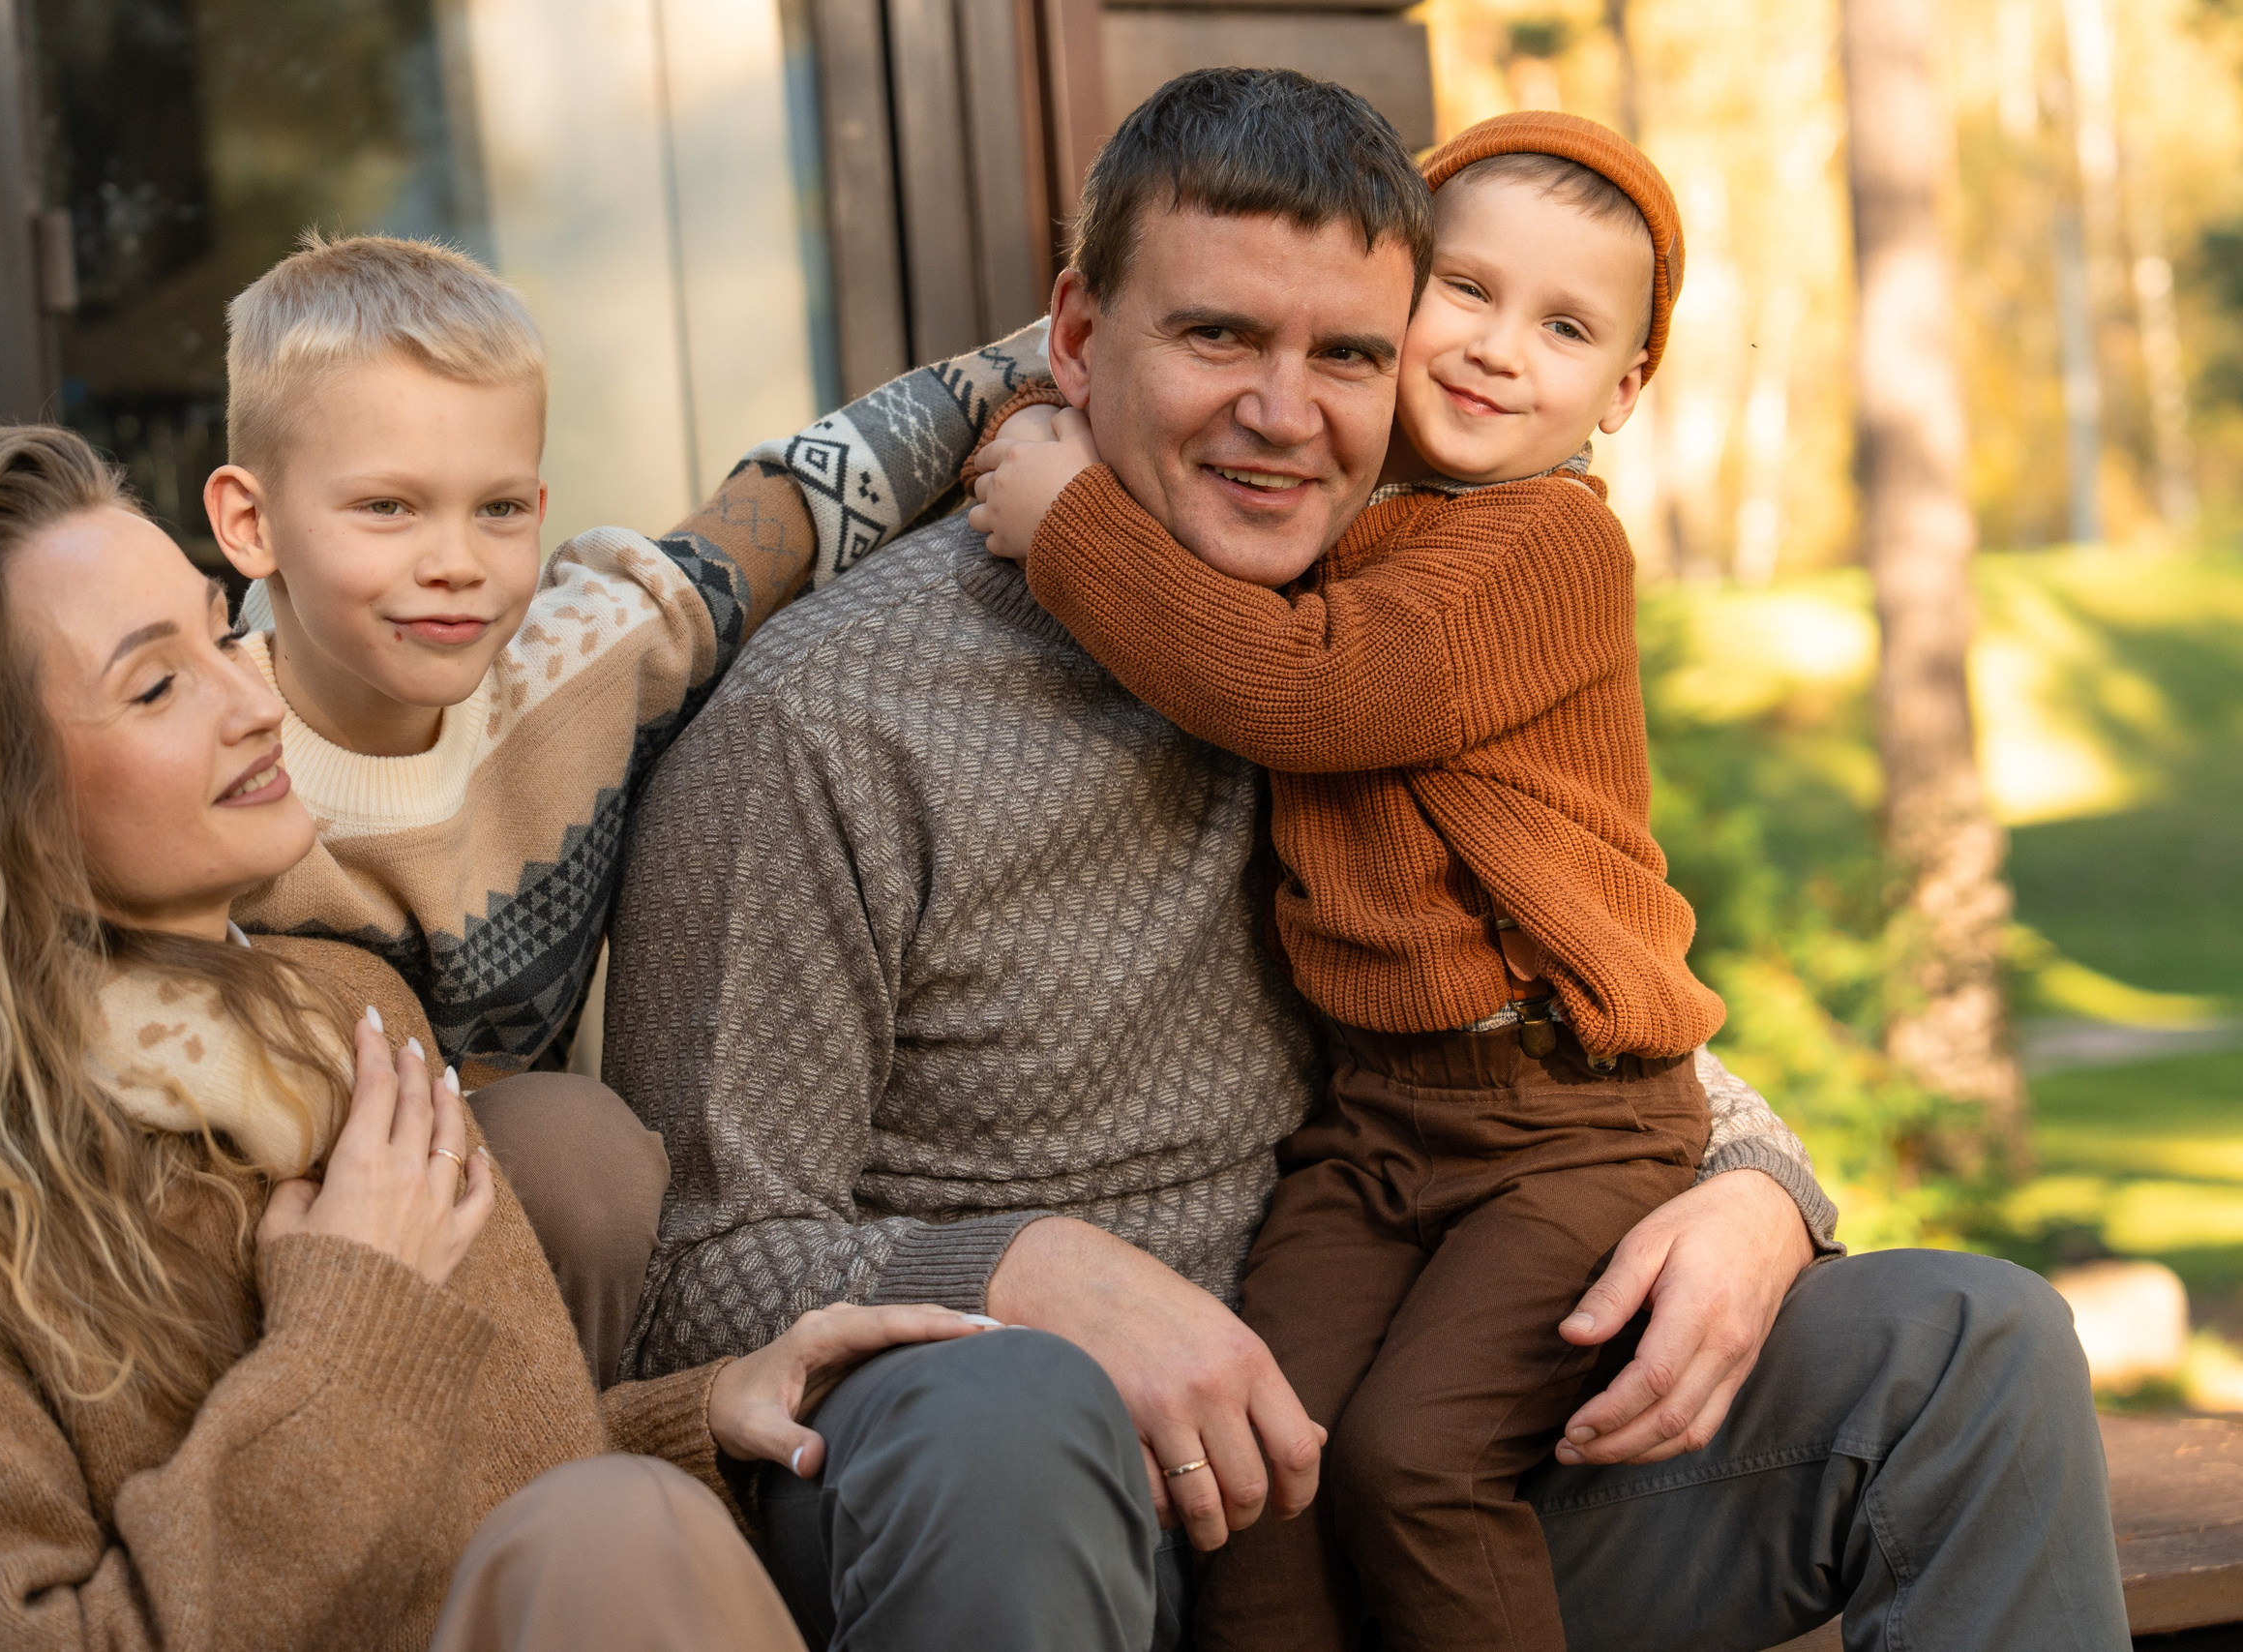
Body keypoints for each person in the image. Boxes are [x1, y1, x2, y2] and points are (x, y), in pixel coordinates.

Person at [607, 71, 2128, 1652]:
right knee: (1008, 1424)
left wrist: (1757, 1193)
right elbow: (680, 1282)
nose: (1288, 414)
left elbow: (1556, 968)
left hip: (1399, 1451)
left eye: (1349, 353)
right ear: (1076, 337)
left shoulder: (1388, 618)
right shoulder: (825, 726)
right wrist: (1030, 1279)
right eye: (1217, 337)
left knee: (1975, 1344)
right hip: (1034, 1498)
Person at [0, 424, 1002, 1652]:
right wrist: (356, 1310)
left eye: (222, 631)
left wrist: (692, 1415)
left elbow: (485, 1501)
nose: (253, 701)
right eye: (156, 685)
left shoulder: (336, 1013)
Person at [970, 110, 1723, 1651]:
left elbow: (1311, 693)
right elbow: (1112, 361)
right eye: (1465, 291)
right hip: (1379, 1118)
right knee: (1263, 1464)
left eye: (1566, 326)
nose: (1500, 350)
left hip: (1563, 1123)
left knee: (1416, 1463)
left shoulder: (1547, 549)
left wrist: (1069, 523)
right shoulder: (1344, 508)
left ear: (1624, 391)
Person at [201, 232, 1047, 1083]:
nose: (456, 562)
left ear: (539, 503)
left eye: (496, 508)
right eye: (387, 506)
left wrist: (1046, 352)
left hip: (520, 1167)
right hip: (274, 1163)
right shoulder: (196, 757)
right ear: (250, 523)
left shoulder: (586, 660)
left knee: (583, 1153)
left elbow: (792, 502)